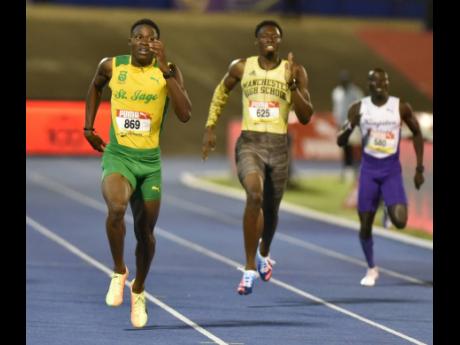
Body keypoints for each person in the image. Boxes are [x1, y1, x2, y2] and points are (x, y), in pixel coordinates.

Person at [83, 18, 192, 327]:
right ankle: (119, 271)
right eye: (139, 37)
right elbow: (95, 86)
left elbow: (185, 114)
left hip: (149, 164)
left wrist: (166, 68)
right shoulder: (112, 66)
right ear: (130, 42)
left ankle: (139, 290)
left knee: (145, 235)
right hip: (119, 157)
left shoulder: (167, 71)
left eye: (152, 38)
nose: (145, 41)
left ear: (159, 43)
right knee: (116, 208)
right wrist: (88, 126)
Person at [201, 20, 314, 295]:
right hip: (249, 143)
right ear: (257, 41)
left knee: (272, 210)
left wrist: (294, 86)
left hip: (278, 147)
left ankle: (263, 252)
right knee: (254, 195)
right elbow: (221, 91)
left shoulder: (294, 70)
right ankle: (249, 268)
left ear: (280, 41)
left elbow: (306, 115)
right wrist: (210, 126)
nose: (269, 39)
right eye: (264, 36)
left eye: (275, 35)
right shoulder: (241, 66)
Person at [337, 68, 424, 287]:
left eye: (383, 82)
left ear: (388, 83)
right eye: (375, 82)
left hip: (391, 170)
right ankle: (371, 267)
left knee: (401, 221)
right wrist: (350, 126)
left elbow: (417, 132)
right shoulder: (359, 108)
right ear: (369, 85)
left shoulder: (400, 107)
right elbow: (340, 141)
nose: (379, 86)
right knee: (365, 225)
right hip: (368, 171)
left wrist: (420, 168)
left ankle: (387, 206)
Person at [332, 70, 364, 183]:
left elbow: (361, 107)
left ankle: (357, 171)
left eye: (345, 81)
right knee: (345, 148)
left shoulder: (356, 92)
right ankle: (347, 171)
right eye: (342, 81)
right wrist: (336, 123)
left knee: (356, 148)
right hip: (342, 124)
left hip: (354, 123)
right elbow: (336, 109)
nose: (344, 83)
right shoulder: (336, 92)